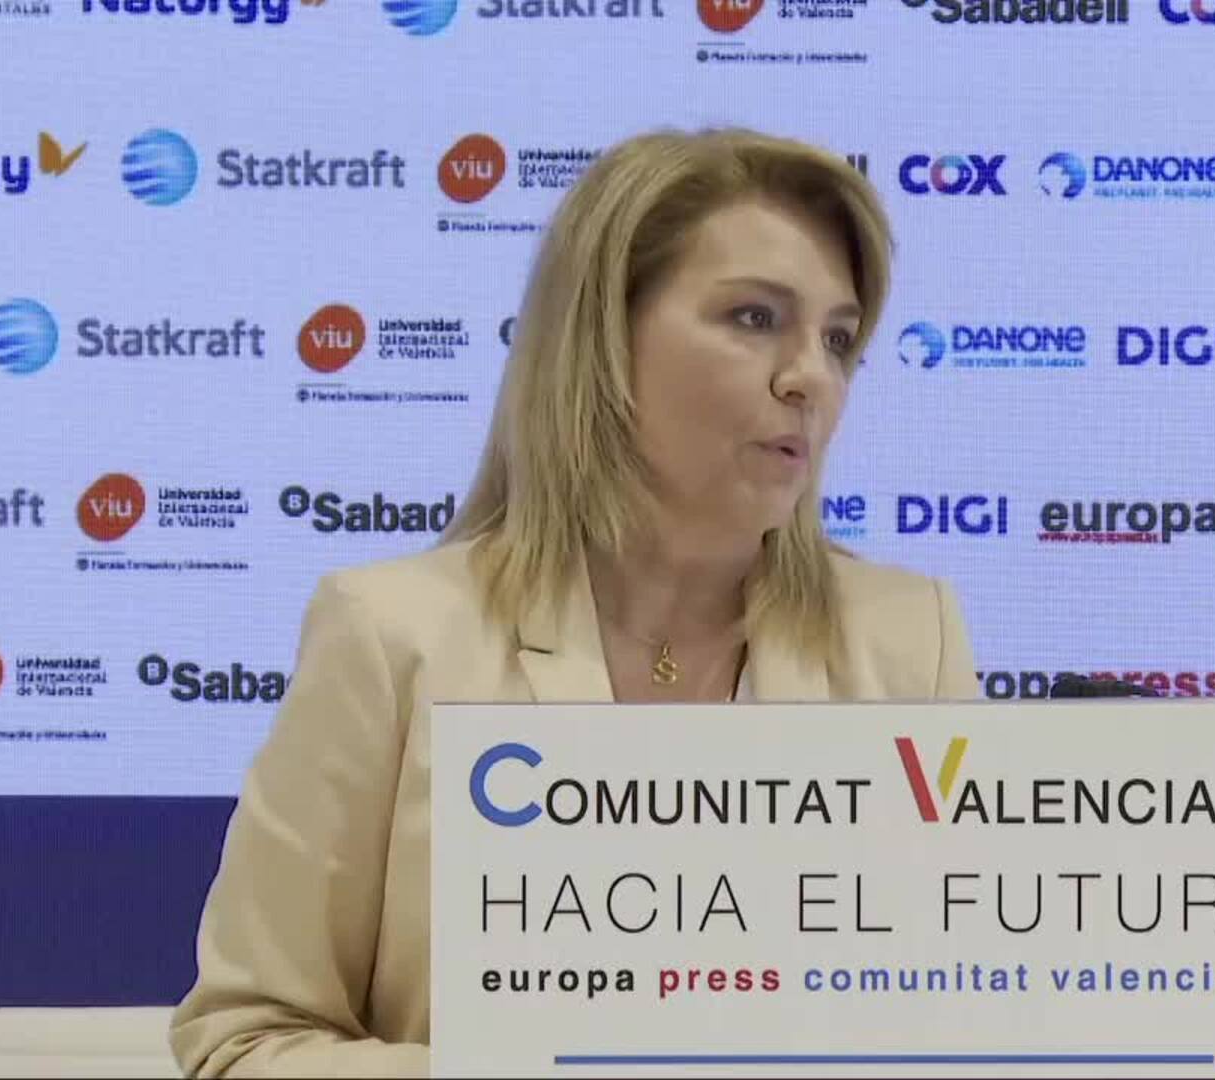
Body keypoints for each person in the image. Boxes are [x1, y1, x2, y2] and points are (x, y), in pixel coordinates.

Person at [168, 127, 979, 1077]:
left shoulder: (909, 641)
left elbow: (968, 1028)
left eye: (838, 339)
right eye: (755, 318)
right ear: (603, 340)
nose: (811, 377)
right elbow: (244, 1043)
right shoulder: (394, 636)